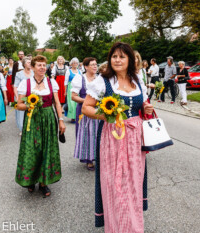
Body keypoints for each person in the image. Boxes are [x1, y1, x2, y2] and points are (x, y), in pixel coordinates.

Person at [82, 42, 153, 232]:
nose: (118, 60)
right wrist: (107, 115)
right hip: (112, 138)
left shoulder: (137, 80)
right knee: (116, 185)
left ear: (130, 59)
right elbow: (86, 107)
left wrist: (145, 107)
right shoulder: (103, 81)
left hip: (136, 137)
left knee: (134, 183)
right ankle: (117, 227)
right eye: (114, 56)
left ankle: (133, 225)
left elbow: (142, 103)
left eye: (122, 56)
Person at [15, 55, 65, 197]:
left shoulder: (51, 82)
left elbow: (57, 102)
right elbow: (19, 105)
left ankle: (44, 182)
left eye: (44, 65)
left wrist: (61, 120)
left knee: (46, 149)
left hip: (49, 119)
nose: (42, 68)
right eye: (39, 65)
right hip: (32, 119)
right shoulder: (26, 83)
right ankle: (30, 179)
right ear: (32, 67)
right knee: (32, 149)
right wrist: (31, 105)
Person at [71, 57, 99, 171]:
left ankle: (98, 156)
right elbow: (73, 97)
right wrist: (87, 101)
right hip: (84, 110)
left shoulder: (100, 78)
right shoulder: (79, 78)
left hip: (98, 110)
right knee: (86, 135)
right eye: (92, 64)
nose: (95, 66)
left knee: (98, 133)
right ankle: (88, 160)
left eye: (96, 64)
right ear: (86, 67)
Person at [13, 57, 34, 135]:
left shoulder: (34, 72)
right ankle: (22, 129)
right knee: (21, 114)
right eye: (28, 62)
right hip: (21, 96)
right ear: (24, 64)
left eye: (31, 62)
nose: (30, 63)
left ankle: (31, 127)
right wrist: (17, 98)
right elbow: (15, 86)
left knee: (31, 112)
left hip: (32, 96)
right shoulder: (19, 74)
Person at [65, 57, 81, 123]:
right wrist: (65, 91)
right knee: (71, 104)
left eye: (76, 63)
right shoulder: (68, 71)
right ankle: (73, 118)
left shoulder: (80, 71)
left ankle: (77, 117)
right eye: (74, 63)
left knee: (77, 103)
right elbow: (65, 82)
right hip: (70, 88)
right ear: (71, 64)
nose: (75, 64)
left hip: (78, 89)